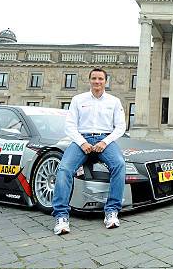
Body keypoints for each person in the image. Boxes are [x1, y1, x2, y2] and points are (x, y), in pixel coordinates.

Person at [52, 68, 126, 234]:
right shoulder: (78, 99)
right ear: (90, 80)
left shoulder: (114, 101)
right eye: (94, 78)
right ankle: (61, 216)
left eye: (100, 79)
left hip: (105, 140)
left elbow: (120, 127)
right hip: (81, 139)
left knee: (119, 165)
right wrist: (82, 142)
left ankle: (112, 211)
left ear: (105, 81)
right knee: (64, 169)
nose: (97, 82)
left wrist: (105, 142)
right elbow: (70, 125)